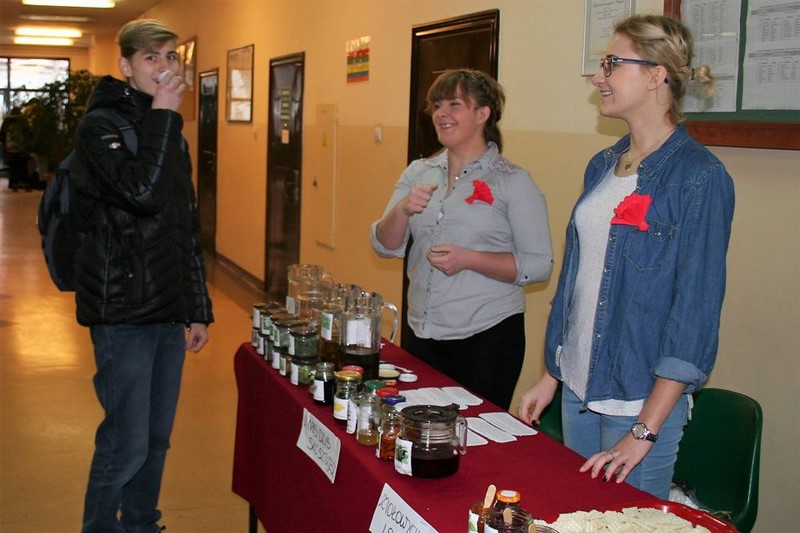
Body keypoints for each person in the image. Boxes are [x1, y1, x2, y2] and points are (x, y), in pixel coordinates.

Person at [518, 15, 735, 499]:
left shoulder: (700, 177)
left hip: (637, 401)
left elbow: (694, 314)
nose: (598, 77)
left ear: (657, 75)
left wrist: (643, 431)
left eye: (612, 64)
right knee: (579, 516)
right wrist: (551, 375)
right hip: (578, 389)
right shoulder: (602, 165)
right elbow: (579, 282)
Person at [70, 19, 214, 533]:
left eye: (170, 56)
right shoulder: (100, 127)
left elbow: (184, 224)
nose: (163, 66)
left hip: (167, 308)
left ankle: (140, 523)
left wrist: (197, 308)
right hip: (123, 310)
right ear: (125, 66)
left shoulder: (170, 134)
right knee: (125, 442)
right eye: (151, 57)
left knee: (155, 438)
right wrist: (164, 118)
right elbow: (141, 193)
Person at [371, 69, 553, 410]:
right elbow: (384, 244)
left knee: (471, 431)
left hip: (487, 336)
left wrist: (469, 259)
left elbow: (539, 264)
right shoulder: (418, 172)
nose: (441, 113)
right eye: (437, 105)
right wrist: (402, 210)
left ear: (482, 114)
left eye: (454, 104)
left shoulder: (512, 181)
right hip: (421, 329)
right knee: (417, 424)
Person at [0, 106, 32, 191]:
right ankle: (26, 183)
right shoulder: (23, 121)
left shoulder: (6, 121)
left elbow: (2, 135)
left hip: (10, 148)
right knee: (23, 166)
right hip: (22, 148)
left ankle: (14, 183)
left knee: (13, 167)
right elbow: (28, 134)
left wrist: (5, 145)